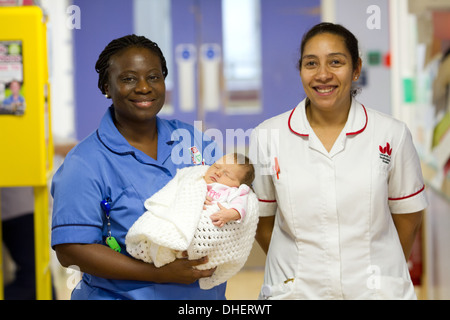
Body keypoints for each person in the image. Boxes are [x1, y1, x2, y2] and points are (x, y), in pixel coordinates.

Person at [250, 23, 428, 300]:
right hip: (298, 292)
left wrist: (379, 270)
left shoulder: (391, 134)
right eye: (311, 64)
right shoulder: (267, 136)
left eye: (336, 62)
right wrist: (297, 269)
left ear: (356, 69)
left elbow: (408, 215)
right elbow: (263, 221)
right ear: (300, 70)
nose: (323, 75)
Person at [51, 34, 226, 300]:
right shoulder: (84, 163)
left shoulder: (194, 141)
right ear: (107, 87)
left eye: (154, 77)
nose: (144, 87)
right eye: (128, 78)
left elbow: (235, 196)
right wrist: (159, 273)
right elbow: (70, 249)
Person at [126, 153, 258, 290]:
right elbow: (180, 193)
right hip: (186, 216)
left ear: (238, 185)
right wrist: (196, 197)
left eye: (227, 174)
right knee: (169, 229)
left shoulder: (233, 192)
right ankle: (164, 246)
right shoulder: (197, 180)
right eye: (216, 166)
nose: (218, 172)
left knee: (198, 241)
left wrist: (229, 214)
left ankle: (178, 249)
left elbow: (240, 207)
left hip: (209, 228)